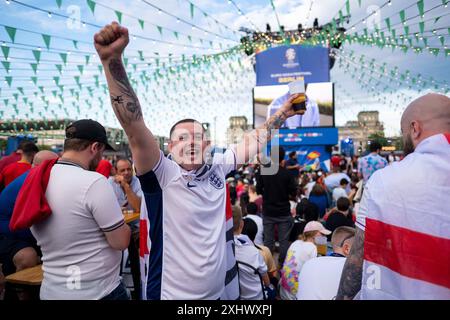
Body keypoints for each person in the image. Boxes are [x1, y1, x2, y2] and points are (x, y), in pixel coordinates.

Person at [94, 21, 305, 300]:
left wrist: (283, 114)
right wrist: (112, 62)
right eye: (181, 139)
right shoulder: (161, 173)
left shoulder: (218, 165)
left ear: (207, 145)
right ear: (169, 147)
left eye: (197, 137)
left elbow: (254, 140)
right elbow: (133, 126)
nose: (190, 142)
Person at [337, 93, 450, 300]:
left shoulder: (382, 178)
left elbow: (358, 258)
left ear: (415, 128)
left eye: (403, 131)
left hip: (379, 196)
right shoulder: (382, 163)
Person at [25, 119, 131, 300]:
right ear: (95, 147)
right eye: (102, 152)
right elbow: (120, 242)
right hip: (97, 291)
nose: (101, 158)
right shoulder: (93, 182)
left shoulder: (37, 179)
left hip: (52, 289)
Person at [0, 151, 58, 298]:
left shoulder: (39, 179)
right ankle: (22, 293)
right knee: (28, 257)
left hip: (22, 231)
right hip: (7, 234)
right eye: (55, 166)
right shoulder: (31, 182)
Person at [256, 146, 297, 266]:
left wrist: (267, 193)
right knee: (284, 241)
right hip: (283, 211)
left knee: (268, 241)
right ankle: (282, 266)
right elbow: (293, 192)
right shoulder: (287, 174)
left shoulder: (263, 171)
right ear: (283, 157)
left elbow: (258, 190)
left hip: (268, 211)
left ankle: (268, 267)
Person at [108, 157, 143, 299]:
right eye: (122, 170)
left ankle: (137, 284)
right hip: (116, 226)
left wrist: (126, 187)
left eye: (129, 169)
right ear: (116, 172)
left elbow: (137, 207)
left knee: (137, 243)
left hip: (135, 227)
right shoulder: (108, 183)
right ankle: (116, 283)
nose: (127, 173)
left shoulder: (137, 182)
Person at [297, 226, 355, 300]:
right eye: (359, 248)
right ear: (347, 249)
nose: (324, 238)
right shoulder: (350, 268)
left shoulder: (310, 263)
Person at [279, 221, 331, 300]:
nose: (324, 237)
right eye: (322, 234)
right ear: (314, 234)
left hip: (284, 290)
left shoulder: (295, 243)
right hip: (295, 295)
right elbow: (315, 273)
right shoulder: (312, 248)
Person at [233, 206, 270, 300]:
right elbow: (267, 282)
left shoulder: (221, 249)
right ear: (241, 224)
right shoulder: (253, 252)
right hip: (256, 297)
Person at [241, 218, 278, 283]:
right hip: (261, 288)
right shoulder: (264, 251)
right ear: (255, 233)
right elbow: (272, 273)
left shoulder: (234, 252)